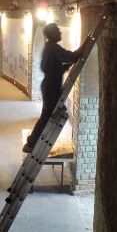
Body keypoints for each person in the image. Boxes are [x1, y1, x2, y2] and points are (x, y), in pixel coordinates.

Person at [23, 22, 86, 153]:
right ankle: (31, 143)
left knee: (46, 115)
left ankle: (32, 141)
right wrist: (85, 44)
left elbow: (47, 67)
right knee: (46, 116)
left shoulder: (49, 47)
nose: (60, 33)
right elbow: (72, 56)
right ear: (52, 34)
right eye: (57, 30)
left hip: (49, 85)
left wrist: (63, 67)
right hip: (51, 87)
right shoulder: (53, 47)